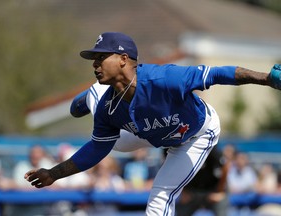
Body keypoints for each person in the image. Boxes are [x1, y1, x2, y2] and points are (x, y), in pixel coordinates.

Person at [24, 32, 281, 216]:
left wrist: (266, 78)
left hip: (195, 135)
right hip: (150, 130)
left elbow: (217, 74)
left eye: (101, 57)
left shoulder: (164, 78)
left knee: (159, 199)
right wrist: (53, 174)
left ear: (123, 59)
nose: (95, 64)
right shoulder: (109, 108)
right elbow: (95, 150)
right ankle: (94, 96)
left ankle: (93, 95)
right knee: (116, 144)